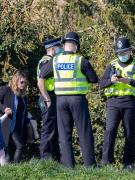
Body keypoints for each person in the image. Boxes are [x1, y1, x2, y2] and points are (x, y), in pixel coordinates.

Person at [38, 32, 98, 168]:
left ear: (64, 45)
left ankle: (68, 167)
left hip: (60, 101)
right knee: (84, 132)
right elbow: (94, 79)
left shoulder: (54, 60)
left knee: (64, 136)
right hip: (77, 99)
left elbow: (41, 78)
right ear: (76, 45)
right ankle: (90, 166)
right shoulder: (80, 60)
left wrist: (47, 98)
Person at [100, 37, 135, 170]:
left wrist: (130, 81)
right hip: (113, 102)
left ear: (130, 51)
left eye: (124, 52)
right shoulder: (112, 65)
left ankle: (128, 163)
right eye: (120, 53)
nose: (122, 55)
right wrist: (111, 80)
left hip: (129, 102)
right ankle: (106, 162)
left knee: (129, 133)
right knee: (110, 131)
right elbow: (101, 84)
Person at [37, 37, 63, 161]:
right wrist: (47, 99)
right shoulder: (47, 61)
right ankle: (45, 159)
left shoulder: (49, 60)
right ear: (53, 49)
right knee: (48, 129)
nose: (61, 49)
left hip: (52, 97)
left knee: (54, 129)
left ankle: (55, 158)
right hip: (48, 97)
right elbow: (40, 82)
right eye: (59, 47)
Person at [0, 70, 32, 163]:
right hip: (9, 124)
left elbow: (24, 112)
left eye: (25, 83)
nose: (23, 84)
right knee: (20, 146)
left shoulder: (23, 95)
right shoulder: (6, 90)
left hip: (19, 126)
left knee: (10, 151)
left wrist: (28, 123)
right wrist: (4, 108)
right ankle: (17, 167)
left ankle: (11, 170)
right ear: (16, 80)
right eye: (21, 82)